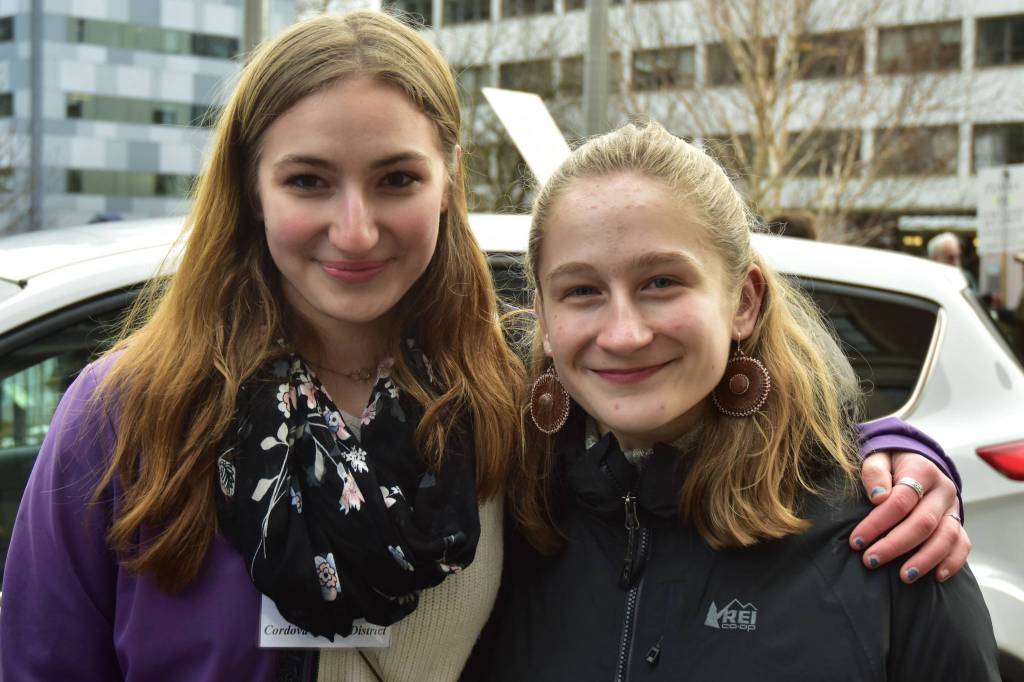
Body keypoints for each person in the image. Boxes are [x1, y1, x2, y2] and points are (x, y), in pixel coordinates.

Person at [0, 12, 969, 682]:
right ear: (251, 190)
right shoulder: (125, 415)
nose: (354, 226)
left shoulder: (503, 407)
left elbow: (696, 440)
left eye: (393, 178)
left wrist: (899, 454)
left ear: (447, 181)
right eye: (307, 181)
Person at [474, 121, 998, 680]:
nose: (622, 334)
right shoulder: (492, 516)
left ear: (743, 302)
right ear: (545, 319)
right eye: (582, 291)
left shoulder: (885, 539)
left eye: (661, 282)